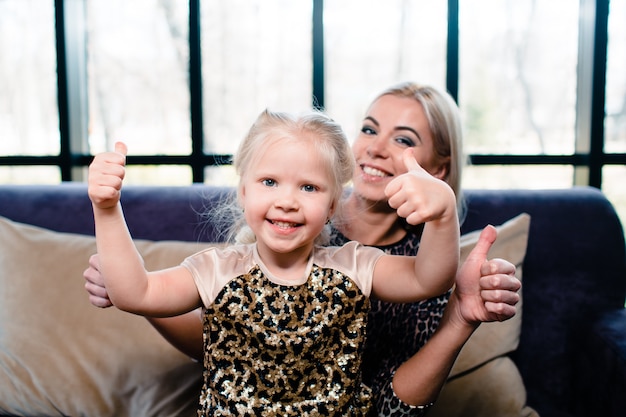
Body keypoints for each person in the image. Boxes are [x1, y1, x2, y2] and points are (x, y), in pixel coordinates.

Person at [85, 82, 521, 415]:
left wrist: (442, 213)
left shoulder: (356, 265)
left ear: (332, 202)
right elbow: (135, 293)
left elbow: (430, 279)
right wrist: (106, 208)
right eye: (269, 182)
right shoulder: (215, 269)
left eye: (309, 187)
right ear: (242, 191)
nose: (287, 200)